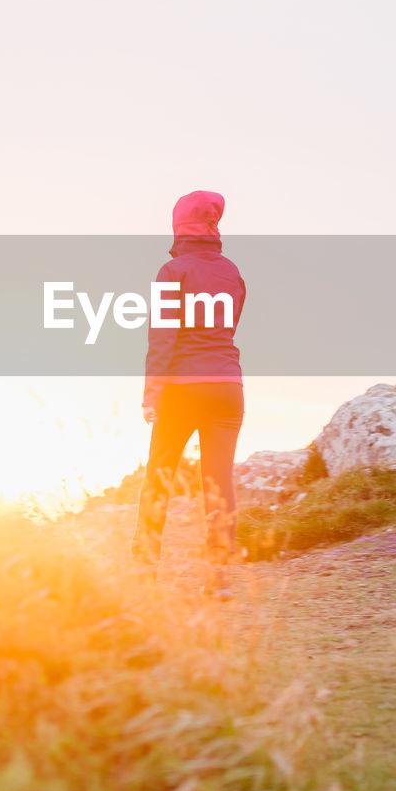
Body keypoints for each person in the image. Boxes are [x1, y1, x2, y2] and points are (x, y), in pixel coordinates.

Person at [131, 191, 246, 593]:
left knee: (159, 477)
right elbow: (227, 328)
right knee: (219, 481)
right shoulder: (232, 272)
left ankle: (145, 570)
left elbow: (162, 336)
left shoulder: (171, 271)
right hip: (228, 387)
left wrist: (152, 393)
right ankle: (219, 578)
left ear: (179, 226)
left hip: (181, 387)